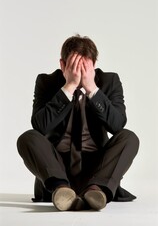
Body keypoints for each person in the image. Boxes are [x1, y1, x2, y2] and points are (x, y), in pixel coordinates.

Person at [17, 34, 139, 211]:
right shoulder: (46, 82)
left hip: (98, 170)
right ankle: (61, 190)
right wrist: (68, 87)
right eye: (74, 66)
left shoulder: (109, 81)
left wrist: (92, 90)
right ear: (62, 65)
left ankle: (95, 191)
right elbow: (40, 126)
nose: (79, 72)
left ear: (94, 65)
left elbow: (117, 125)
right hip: (57, 168)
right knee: (28, 137)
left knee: (129, 137)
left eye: (84, 66)